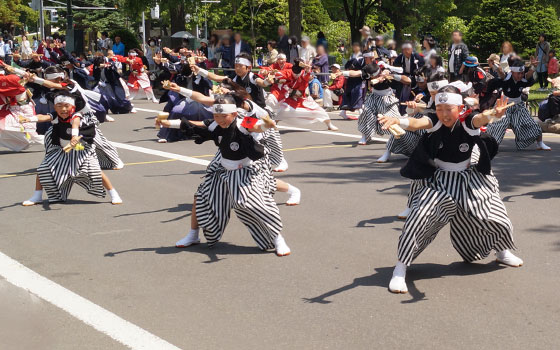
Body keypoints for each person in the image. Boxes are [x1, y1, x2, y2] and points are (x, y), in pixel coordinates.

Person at [379, 87, 522, 294]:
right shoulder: (434, 121)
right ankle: (400, 268)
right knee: (420, 217)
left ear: (460, 108)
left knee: (494, 216)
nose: (444, 114)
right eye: (439, 108)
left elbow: (481, 118)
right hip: (440, 181)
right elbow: (417, 123)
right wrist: (398, 121)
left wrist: (494, 114)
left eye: (449, 109)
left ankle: (501, 251)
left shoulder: (468, 121)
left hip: (470, 179)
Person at [167, 94, 291, 256]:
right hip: (223, 170)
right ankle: (193, 235)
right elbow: (197, 124)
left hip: (246, 172)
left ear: (234, 113)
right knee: (200, 198)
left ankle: (277, 238)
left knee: (251, 202)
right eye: (216, 116)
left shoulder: (243, 121)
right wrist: (166, 123)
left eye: (223, 116)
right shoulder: (215, 124)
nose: (219, 119)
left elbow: (257, 126)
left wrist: (267, 124)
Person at [21, 90, 122, 206]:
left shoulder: (76, 115)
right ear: (55, 107)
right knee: (43, 169)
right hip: (62, 150)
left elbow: (75, 124)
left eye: (66, 106)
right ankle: (37, 196)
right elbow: (43, 117)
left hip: (81, 150)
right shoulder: (55, 116)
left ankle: (114, 193)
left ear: (72, 106)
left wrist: (74, 136)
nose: (63, 109)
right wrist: (30, 119)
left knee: (95, 171)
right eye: (59, 106)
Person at [486, 59, 550, 151]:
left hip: (518, 105)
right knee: (497, 126)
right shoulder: (506, 78)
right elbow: (500, 72)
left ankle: (540, 143)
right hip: (504, 106)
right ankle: (490, 145)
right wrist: (494, 65)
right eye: (518, 73)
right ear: (512, 72)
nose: (520, 75)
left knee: (531, 124)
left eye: (522, 73)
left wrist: (534, 66)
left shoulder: (524, 78)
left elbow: (529, 74)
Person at [393, 41, 425, 112]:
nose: (406, 51)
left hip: (415, 77)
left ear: (411, 49)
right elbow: (396, 67)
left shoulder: (417, 57)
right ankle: (400, 107)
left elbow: (421, 69)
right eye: (404, 49)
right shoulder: (400, 58)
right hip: (403, 77)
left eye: (408, 49)